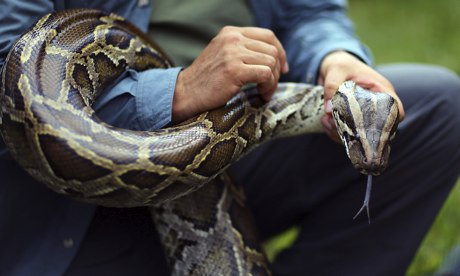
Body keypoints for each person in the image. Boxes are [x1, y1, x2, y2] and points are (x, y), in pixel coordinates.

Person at [0, 0, 459, 275]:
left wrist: (333, 55)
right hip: (72, 204)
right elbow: (10, 66)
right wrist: (179, 90)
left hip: (231, 136)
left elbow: (311, 12)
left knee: (436, 105)